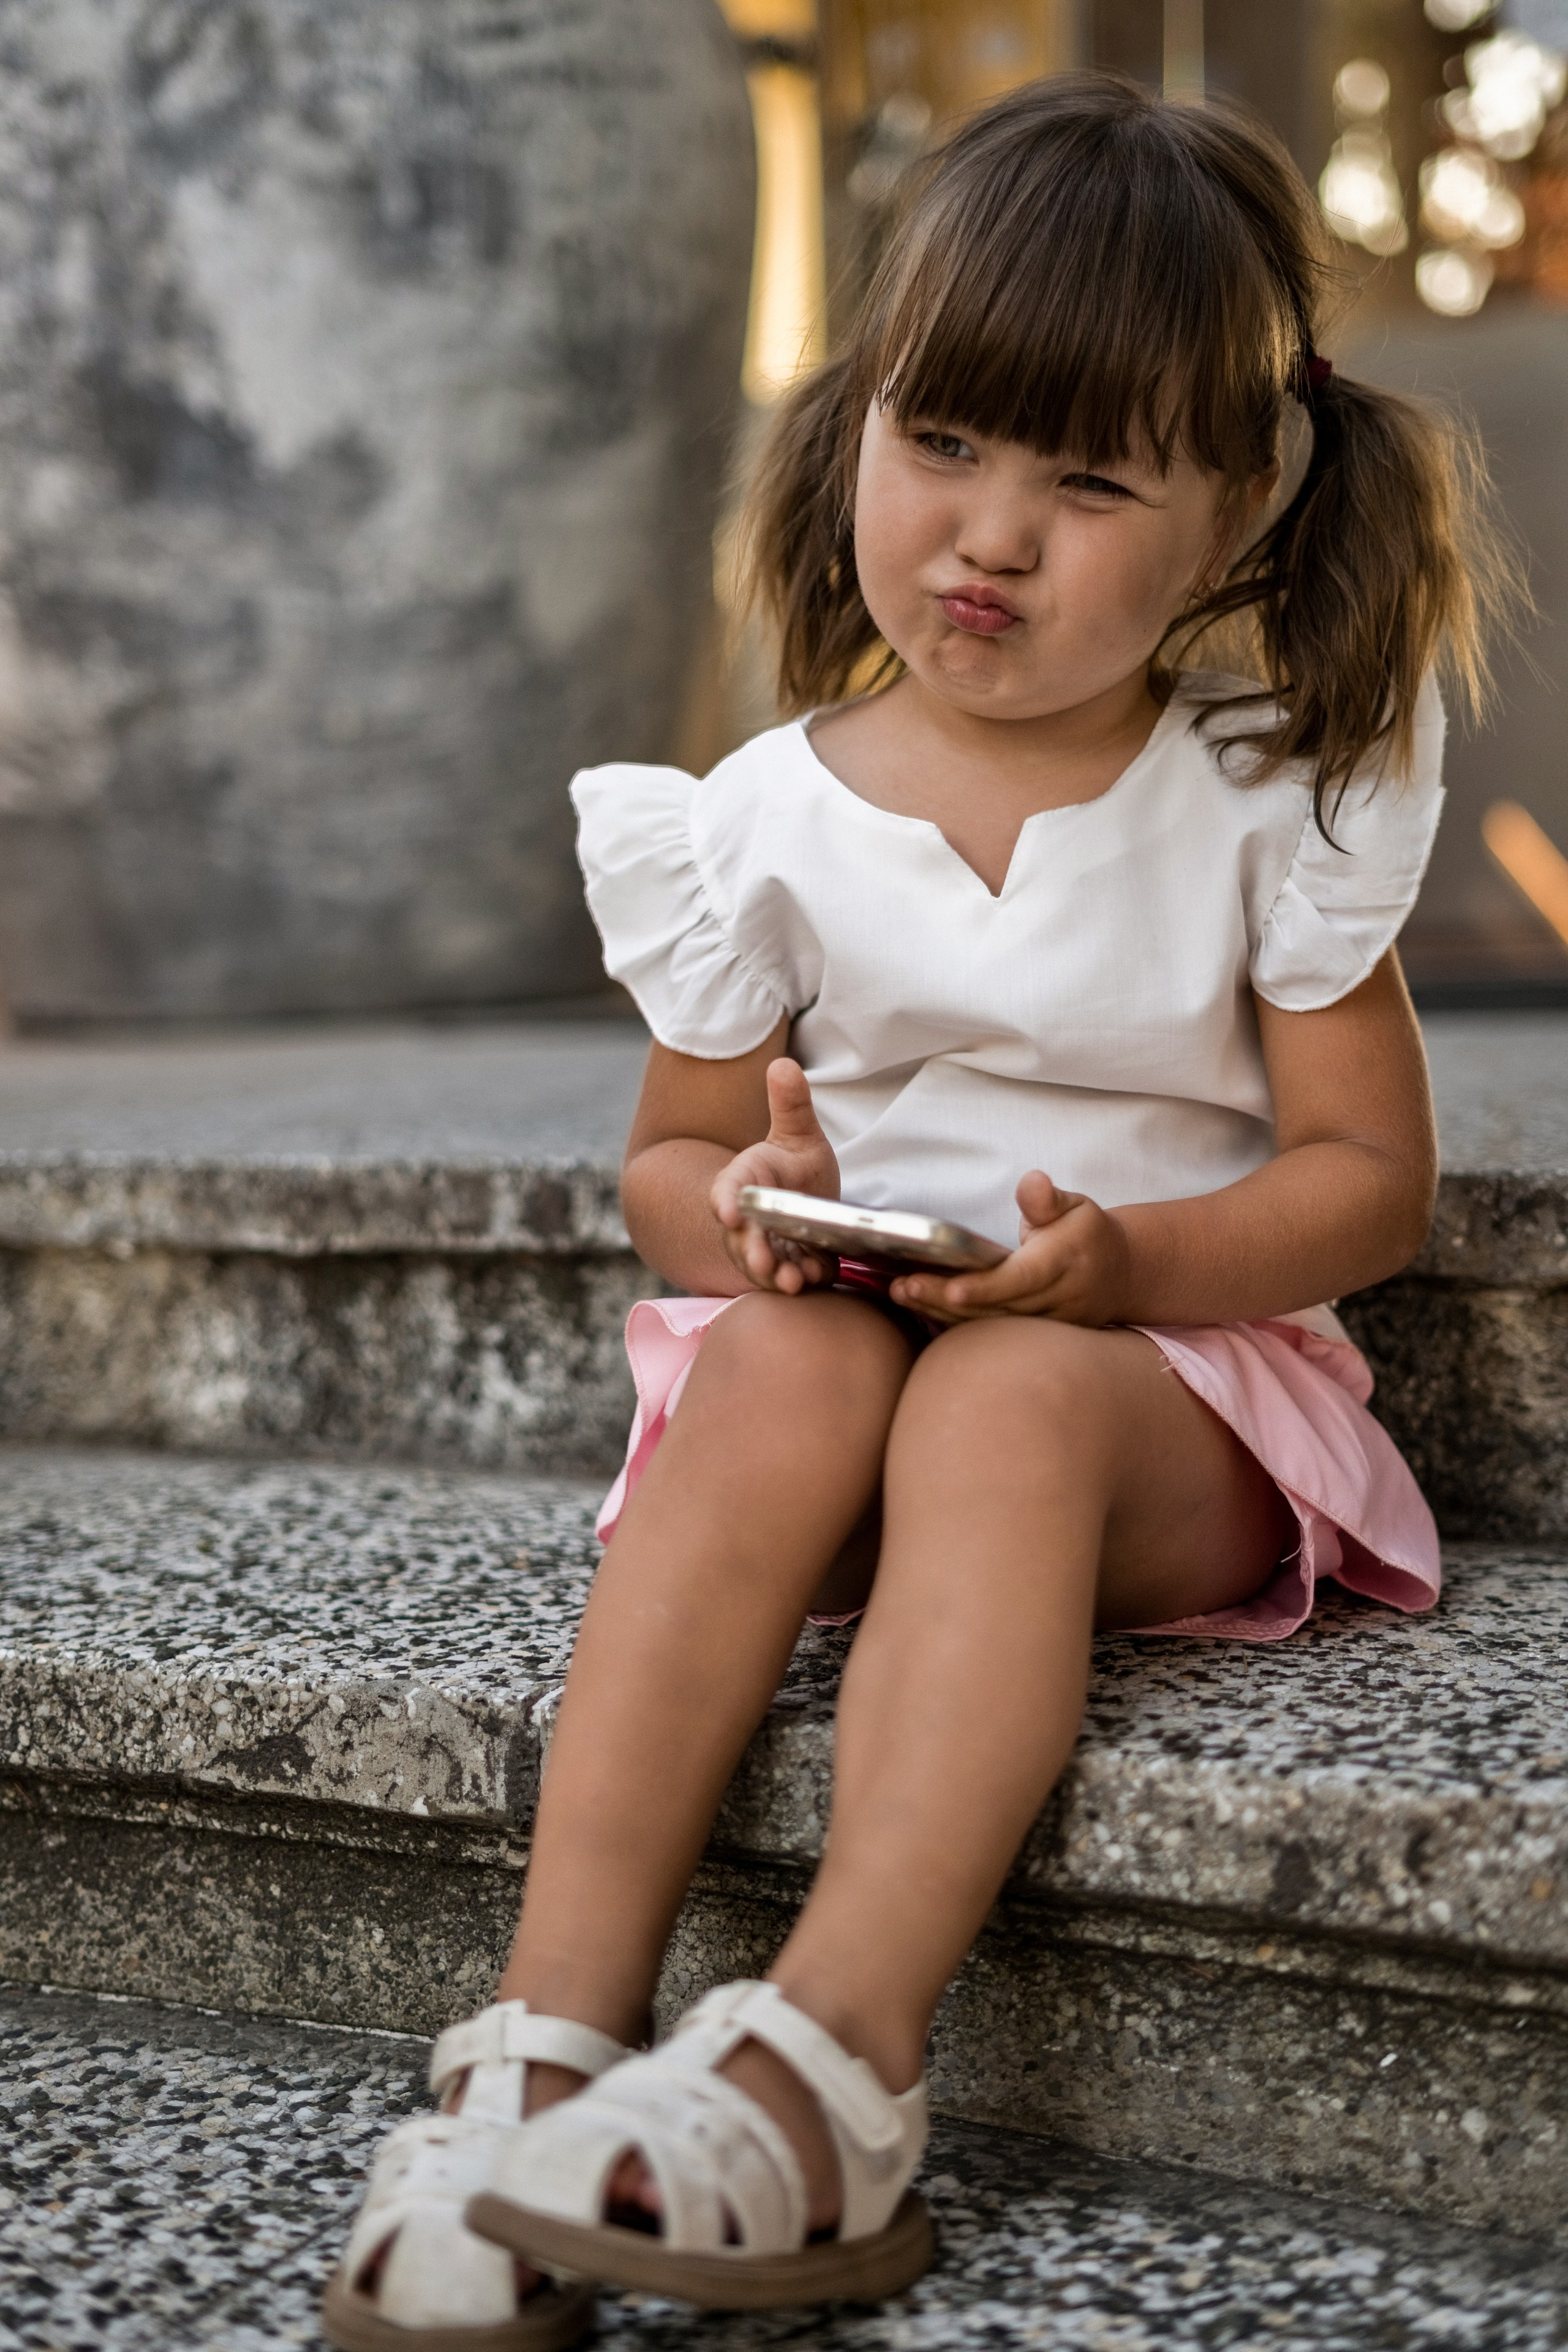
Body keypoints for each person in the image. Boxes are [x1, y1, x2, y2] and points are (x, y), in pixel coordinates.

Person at [323, 69, 1518, 2348]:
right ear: (857, 419)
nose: (989, 533)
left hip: (1152, 1409)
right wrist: (746, 1209)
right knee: (780, 1361)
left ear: (1241, 509)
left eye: (1090, 480)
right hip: (849, 1398)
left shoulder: (1268, 805)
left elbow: (1374, 1183)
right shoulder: (762, 814)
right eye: (945, 439)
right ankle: (546, 2043)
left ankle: (838, 2053)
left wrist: (1133, 1264)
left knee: (1009, 1407)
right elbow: (668, 1167)